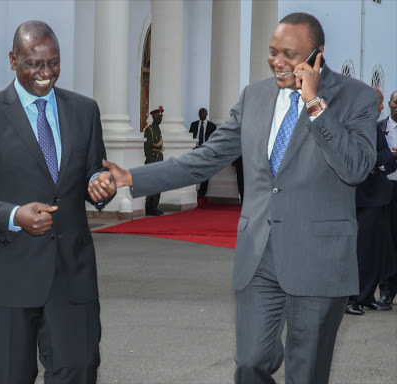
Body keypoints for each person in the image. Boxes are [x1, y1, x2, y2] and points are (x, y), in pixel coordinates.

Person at [91, 12, 378, 384]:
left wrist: (315, 105)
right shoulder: (255, 97)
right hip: (259, 256)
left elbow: (355, 168)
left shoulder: (355, 98)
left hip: (319, 260)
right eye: (273, 52)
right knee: (250, 363)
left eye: (290, 54)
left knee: (306, 373)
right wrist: (131, 177)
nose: (278, 62)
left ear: (317, 55)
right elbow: (205, 159)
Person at [0, 21, 116, 384]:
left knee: (79, 371)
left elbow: (90, 174)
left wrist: (100, 186)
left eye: (53, 63)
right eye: (34, 64)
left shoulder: (84, 111)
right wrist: (12, 216)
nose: (45, 73)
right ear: (13, 60)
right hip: (7, 277)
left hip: (72, 275)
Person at [345, 88, 395, 315]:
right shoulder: (353, 127)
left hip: (380, 198)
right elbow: (359, 159)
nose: (382, 107)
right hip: (362, 200)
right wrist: (378, 160)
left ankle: (366, 296)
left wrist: (379, 161)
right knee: (361, 252)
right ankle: (351, 299)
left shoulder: (374, 128)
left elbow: (388, 161)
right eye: (380, 103)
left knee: (377, 251)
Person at [378, 90, 397, 305]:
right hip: (387, 189)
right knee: (387, 242)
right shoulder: (379, 128)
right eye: (395, 102)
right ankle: (386, 291)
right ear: (390, 104)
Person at [189, 108, 217, 197]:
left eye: (203, 112)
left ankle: (202, 192)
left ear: (207, 114)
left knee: (205, 171)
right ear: (198, 114)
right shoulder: (193, 125)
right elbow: (190, 137)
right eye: (200, 112)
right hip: (195, 149)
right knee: (194, 170)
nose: (202, 114)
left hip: (206, 150)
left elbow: (214, 140)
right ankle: (193, 189)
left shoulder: (212, 126)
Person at [143, 106, 165, 216]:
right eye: (158, 118)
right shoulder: (149, 129)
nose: (160, 120)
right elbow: (147, 147)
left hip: (159, 158)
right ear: (153, 118)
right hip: (153, 160)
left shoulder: (158, 129)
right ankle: (149, 208)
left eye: (160, 118)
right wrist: (150, 161)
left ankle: (154, 207)